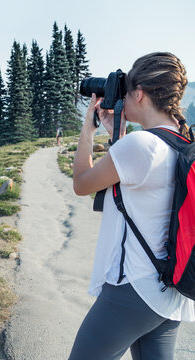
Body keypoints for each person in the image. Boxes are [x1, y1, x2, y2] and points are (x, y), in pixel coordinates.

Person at [69, 52, 195, 360]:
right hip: (169, 293)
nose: (123, 97)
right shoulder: (179, 140)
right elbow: (132, 183)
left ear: (139, 94)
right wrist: (118, 133)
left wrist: (90, 125)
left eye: (126, 91)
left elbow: (82, 183)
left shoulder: (141, 146)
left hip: (133, 289)